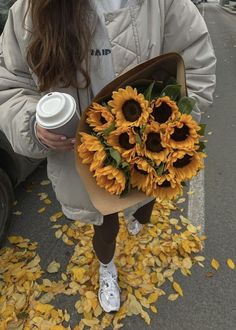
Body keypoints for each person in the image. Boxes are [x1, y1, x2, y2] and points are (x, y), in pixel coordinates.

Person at [0, 0, 216, 313]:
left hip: (148, 156)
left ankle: (137, 216)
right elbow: (10, 81)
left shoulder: (166, 4)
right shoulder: (31, 10)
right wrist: (34, 123)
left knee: (144, 204)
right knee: (105, 225)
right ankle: (107, 268)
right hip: (84, 162)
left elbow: (196, 66)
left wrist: (169, 128)